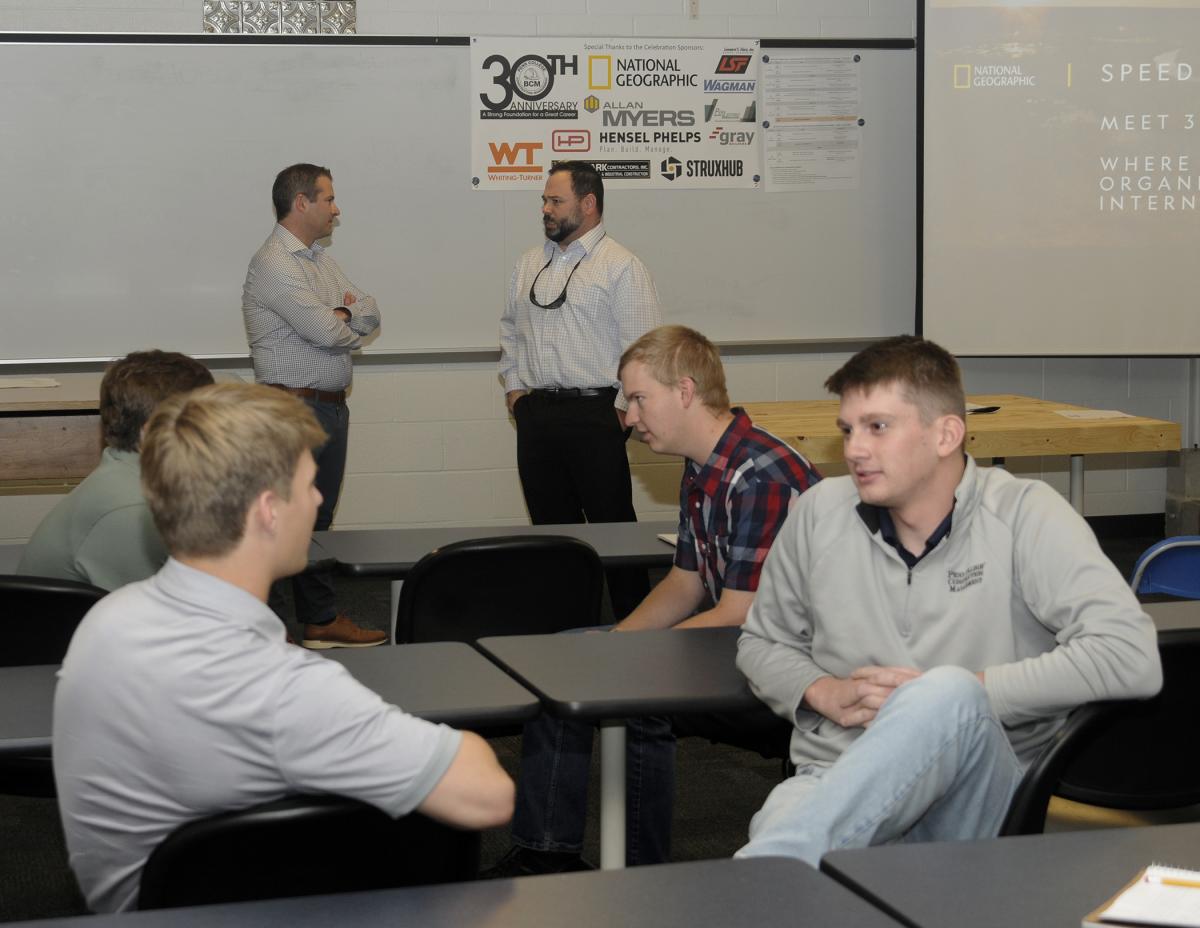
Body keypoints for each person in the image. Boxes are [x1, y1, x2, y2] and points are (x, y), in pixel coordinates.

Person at [53, 383, 514, 913]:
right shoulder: (278, 688)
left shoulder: (106, 622)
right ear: (268, 510)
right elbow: (487, 794)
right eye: (310, 485)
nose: (318, 501)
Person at [733, 335, 1162, 866]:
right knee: (785, 831)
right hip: (838, 776)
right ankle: (769, 876)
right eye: (848, 429)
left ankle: (759, 882)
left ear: (945, 434)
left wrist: (964, 697)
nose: (854, 449)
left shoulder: (1026, 514)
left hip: (979, 793)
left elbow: (1130, 656)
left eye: (878, 427)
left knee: (945, 694)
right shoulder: (819, 513)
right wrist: (818, 690)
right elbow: (761, 644)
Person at [489, 325, 821, 876]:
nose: (628, 416)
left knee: (639, 692)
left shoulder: (760, 475)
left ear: (686, 391)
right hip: (736, 644)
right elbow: (685, 583)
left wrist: (632, 661)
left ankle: (644, 876)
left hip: (790, 669)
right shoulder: (703, 464)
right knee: (566, 658)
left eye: (639, 398)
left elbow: (740, 612)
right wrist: (618, 642)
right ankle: (545, 852)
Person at [499, 161, 663, 619]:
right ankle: (565, 628)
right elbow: (509, 331)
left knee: (613, 531)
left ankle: (637, 626)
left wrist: (616, 415)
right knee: (552, 534)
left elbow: (643, 351)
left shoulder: (622, 267)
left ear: (588, 204)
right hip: (536, 416)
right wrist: (516, 392)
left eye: (556, 201)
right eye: (544, 201)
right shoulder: (529, 263)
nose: (545, 210)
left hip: (597, 416)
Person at [242, 163, 384, 648]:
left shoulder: (319, 260)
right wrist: (343, 317)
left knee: (317, 519)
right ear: (301, 202)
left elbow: (370, 309)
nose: (335, 209)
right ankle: (260, 629)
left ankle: (320, 620)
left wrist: (342, 313)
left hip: (329, 408)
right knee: (282, 519)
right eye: (328, 199)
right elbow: (327, 331)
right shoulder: (274, 263)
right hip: (292, 412)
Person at [18, 350, 213, 590]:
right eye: (206, 418)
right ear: (154, 432)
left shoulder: (128, 478)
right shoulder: (132, 509)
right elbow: (166, 615)